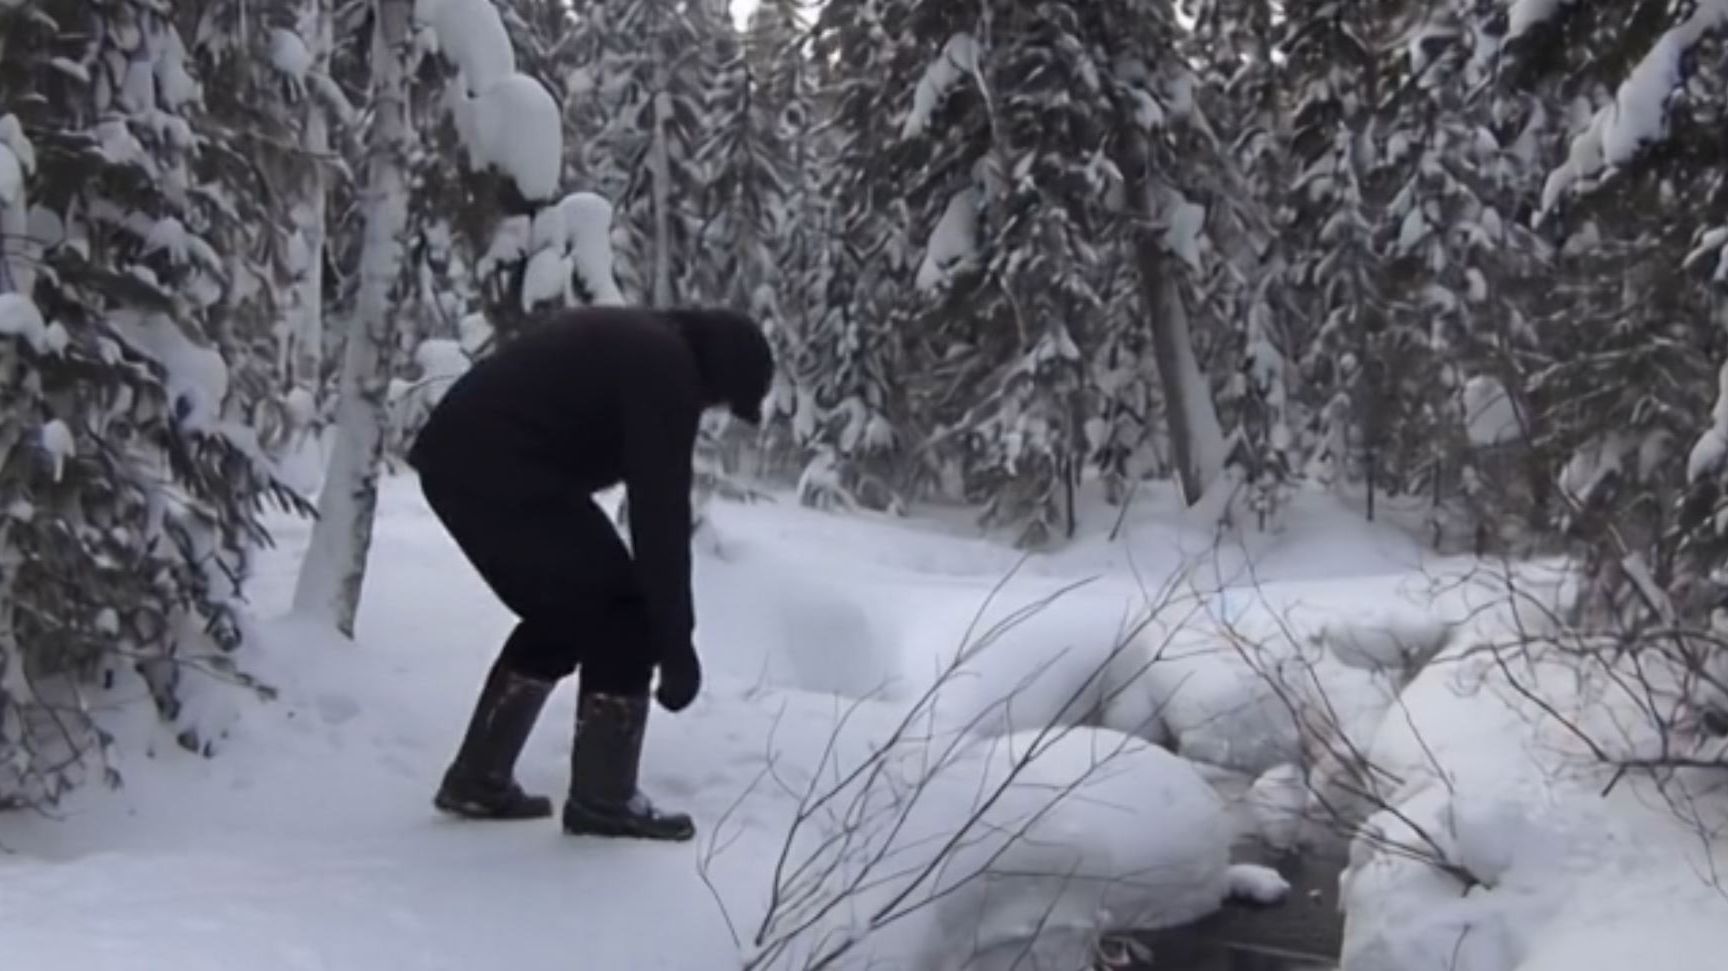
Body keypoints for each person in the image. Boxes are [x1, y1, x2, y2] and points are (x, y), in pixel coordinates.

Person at [406, 305, 774, 842]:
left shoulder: (644, 342)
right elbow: (659, 518)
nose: (710, 412)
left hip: (462, 466)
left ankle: (477, 779)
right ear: (717, 373)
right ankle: (604, 799)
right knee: (625, 613)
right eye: (719, 400)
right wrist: (674, 643)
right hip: (500, 473)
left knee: (565, 611)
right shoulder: (665, 370)